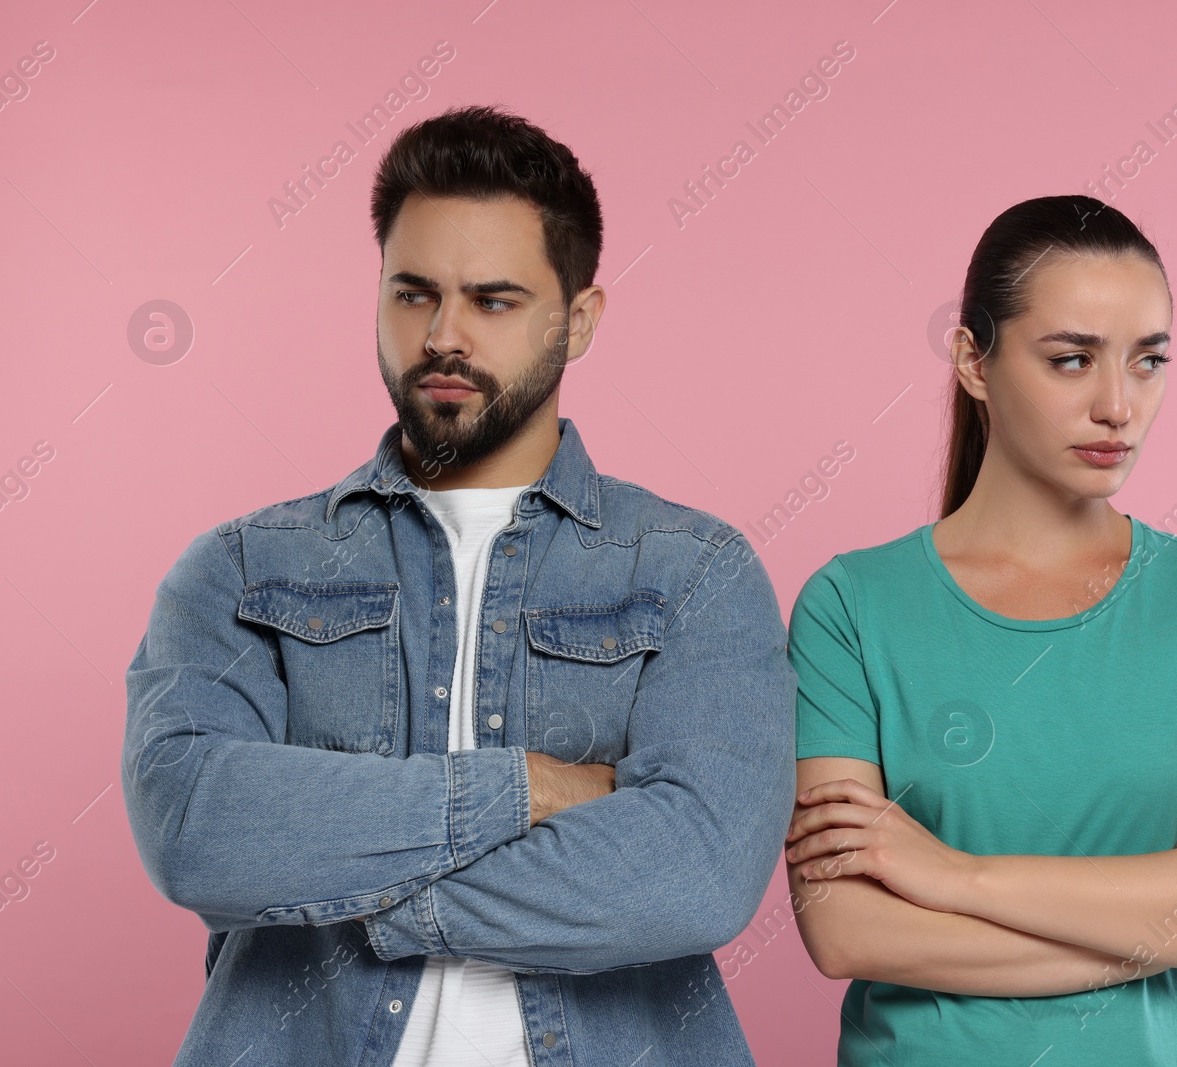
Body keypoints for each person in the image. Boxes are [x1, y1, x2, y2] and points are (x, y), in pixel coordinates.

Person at [121, 104, 796, 1067]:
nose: (443, 335)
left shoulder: (694, 571)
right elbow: (197, 829)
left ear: (581, 319)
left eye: (493, 300)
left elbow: (695, 873)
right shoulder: (239, 570)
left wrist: (343, 888)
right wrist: (522, 789)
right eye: (413, 294)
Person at [784, 194, 1177, 1064]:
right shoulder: (852, 604)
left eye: (1149, 361)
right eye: (1072, 360)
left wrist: (955, 876)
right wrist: (1171, 907)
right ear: (972, 360)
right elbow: (847, 928)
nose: (1119, 404)